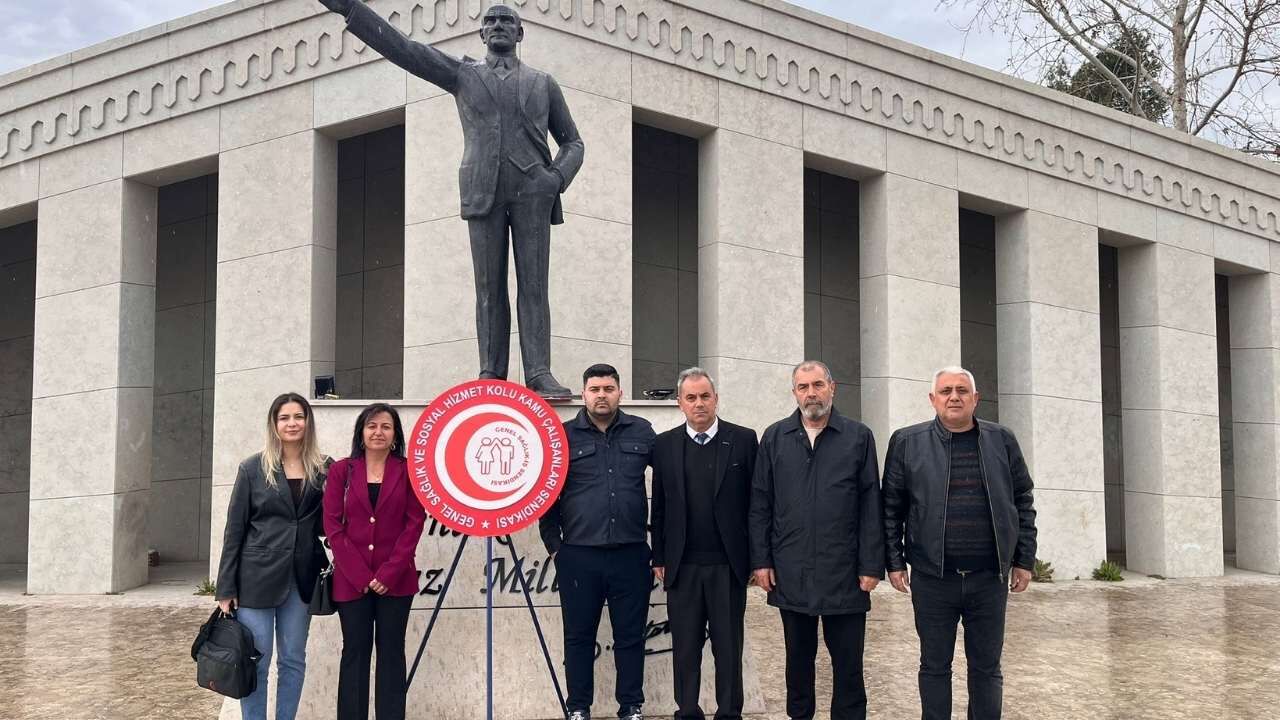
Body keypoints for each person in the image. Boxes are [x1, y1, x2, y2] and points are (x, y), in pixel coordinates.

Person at [316, 0, 583, 398]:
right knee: (488, 287)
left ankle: (539, 373)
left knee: (534, 286)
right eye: (490, 21)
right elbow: (406, 50)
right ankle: (491, 372)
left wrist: (556, 178)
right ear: (481, 33)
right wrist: (351, 9)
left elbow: (573, 142)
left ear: (520, 32)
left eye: (506, 20)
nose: (498, 25)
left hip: (533, 191)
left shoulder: (543, 83)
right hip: (482, 190)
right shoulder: (463, 74)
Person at [882, 366, 1038, 720]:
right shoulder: (907, 442)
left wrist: (1024, 559)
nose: (954, 397)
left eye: (962, 391)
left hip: (989, 579)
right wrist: (894, 561)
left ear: (975, 398)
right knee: (934, 666)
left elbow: (1022, 500)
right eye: (946, 391)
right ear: (933, 399)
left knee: (987, 668)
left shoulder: (1002, 440)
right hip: (933, 579)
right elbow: (891, 507)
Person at [748, 361, 884, 720]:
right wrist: (761, 561)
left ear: (832, 388)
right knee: (798, 661)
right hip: (791, 569)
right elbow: (760, 503)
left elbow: (871, 504)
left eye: (818, 385)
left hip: (846, 572)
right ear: (794, 392)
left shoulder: (858, 437)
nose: (811, 393)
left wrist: (872, 565)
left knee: (848, 664)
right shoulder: (775, 437)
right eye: (803, 387)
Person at [539, 364, 656, 720]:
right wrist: (555, 548)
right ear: (583, 394)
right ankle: (578, 707)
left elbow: (668, 484)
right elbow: (546, 496)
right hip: (579, 556)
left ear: (620, 392)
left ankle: (631, 706)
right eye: (595, 389)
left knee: (631, 636)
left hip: (631, 553)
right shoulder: (562, 436)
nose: (601, 395)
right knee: (578, 636)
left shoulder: (642, 431)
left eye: (608, 388)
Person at [216, 392, 331, 720]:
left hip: (302, 579)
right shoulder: (252, 468)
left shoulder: (324, 468)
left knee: (293, 659)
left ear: (308, 422)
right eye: (284, 418)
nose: (292, 423)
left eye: (299, 416)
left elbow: (329, 524)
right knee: (256, 661)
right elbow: (234, 530)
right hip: (255, 580)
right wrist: (225, 588)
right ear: (274, 424)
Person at [651, 368, 758, 720]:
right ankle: (687, 710)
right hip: (682, 566)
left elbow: (756, 505)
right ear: (680, 403)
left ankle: (729, 712)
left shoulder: (743, 440)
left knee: (728, 648)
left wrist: (757, 559)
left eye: (705, 396)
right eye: (691, 398)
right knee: (685, 648)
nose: (699, 403)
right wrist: (659, 556)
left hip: (728, 565)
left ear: (716, 399)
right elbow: (659, 505)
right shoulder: (664, 445)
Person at [324, 403, 427, 720]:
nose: (378, 432)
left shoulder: (408, 471)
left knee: (392, 653)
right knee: (354, 652)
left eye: (385, 426)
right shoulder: (342, 471)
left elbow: (414, 524)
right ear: (361, 432)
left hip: (397, 581)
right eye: (372, 426)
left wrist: (388, 573)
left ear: (395, 434)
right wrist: (360, 574)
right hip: (350, 582)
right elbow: (332, 525)